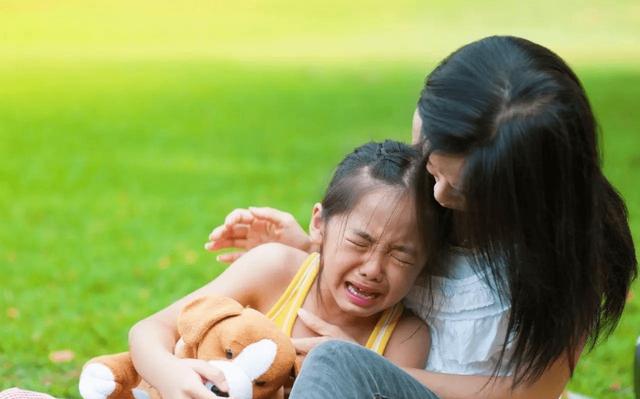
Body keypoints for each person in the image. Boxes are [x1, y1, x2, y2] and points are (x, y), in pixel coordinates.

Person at [205, 35, 637, 399]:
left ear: (525, 193)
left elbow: (529, 392)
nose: (438, 194)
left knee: (332, 362)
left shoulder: (574, 251)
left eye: (466, 190)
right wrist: (311, 248)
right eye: (431, 165)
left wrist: (365, 366)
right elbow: (388, 262)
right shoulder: (427, 193)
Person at [129, 140, 435, 399]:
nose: (372, 269)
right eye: (358, 242)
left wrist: (352, 362)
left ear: (425, 263)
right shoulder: (275, 269)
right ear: (318, 224)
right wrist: (172, 377)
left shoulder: (405, 336)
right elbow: (150, 330)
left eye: (402, 257)